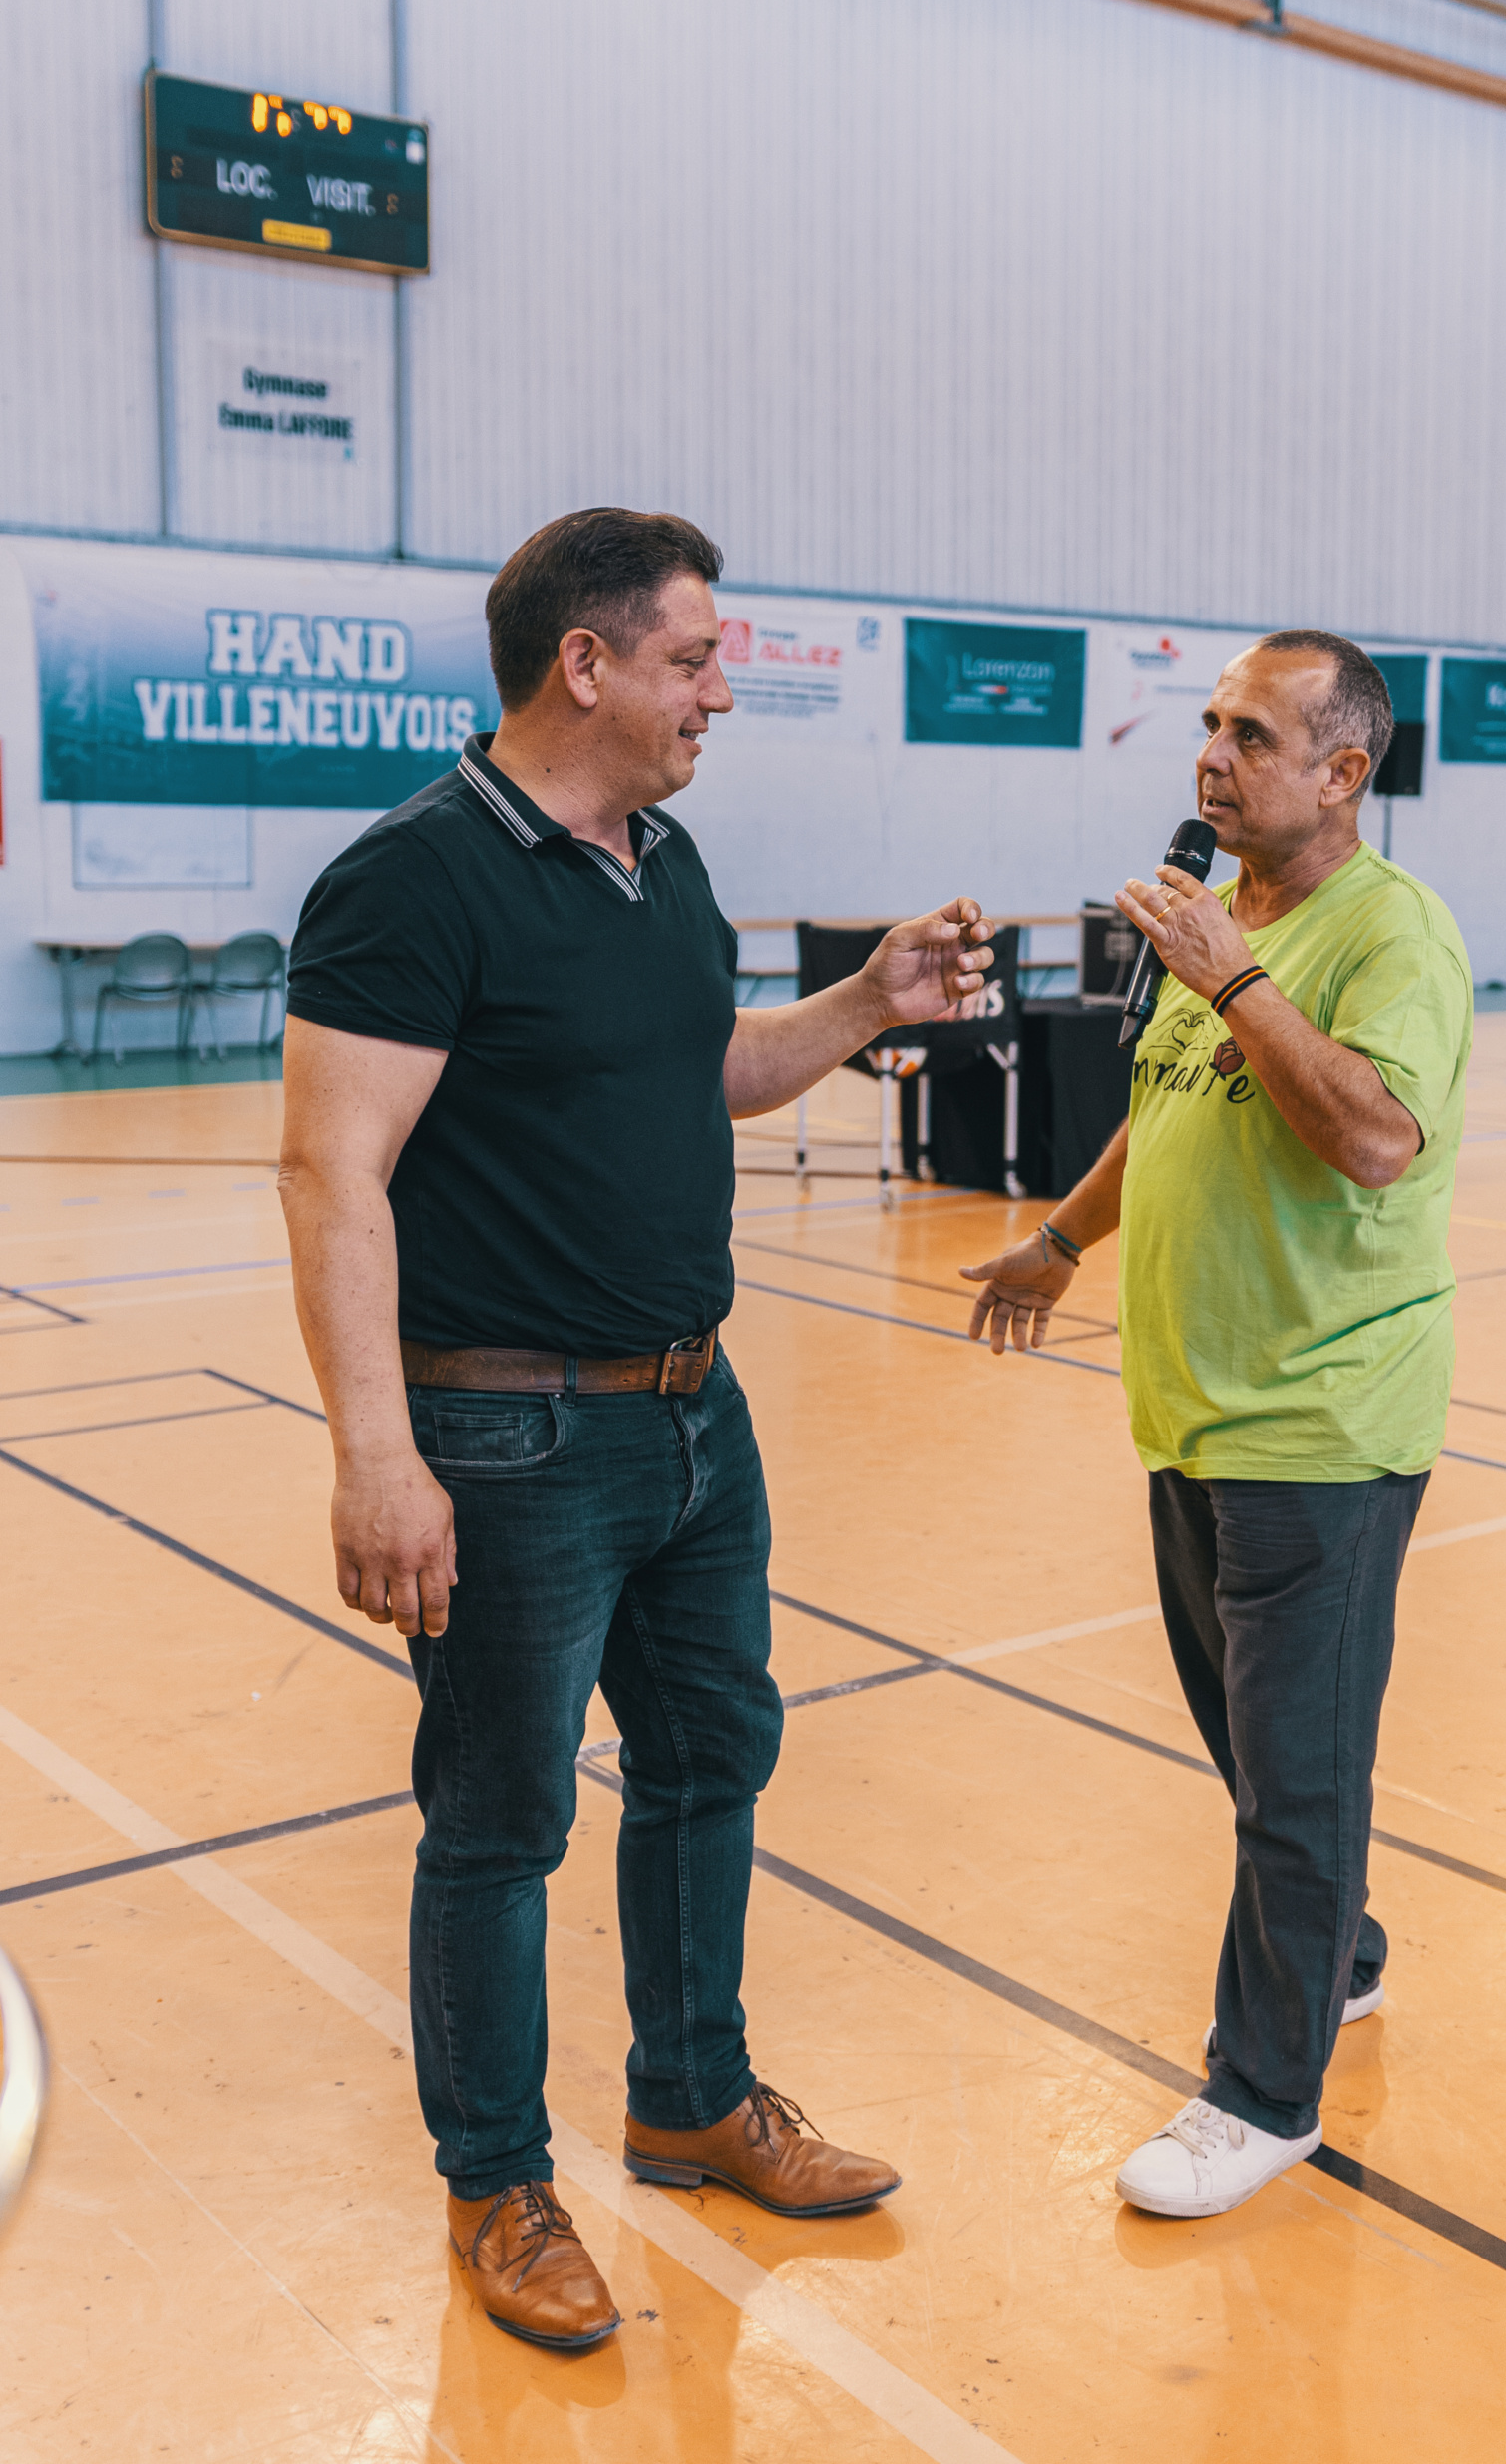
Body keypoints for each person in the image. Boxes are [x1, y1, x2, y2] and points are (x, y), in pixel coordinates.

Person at [278, 507, 995, 2350]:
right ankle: (497, 2184)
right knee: (500, 1820)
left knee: (710, 1759)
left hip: (693, 1414)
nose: (721, 692)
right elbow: (332, 1170)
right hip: (508, 1439)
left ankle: (692, 2097)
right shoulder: (413, 880)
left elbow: (709, 1072)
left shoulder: (660, 859)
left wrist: (867, 999)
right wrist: (377, 1454)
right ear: (583, 664)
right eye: (693, 658)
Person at [961, 630, 1471, 2220]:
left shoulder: (1389, 935)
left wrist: (1236, 982)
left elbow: (1376, 1140)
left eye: (1252, 734)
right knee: (1257, 1751)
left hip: (1320, 1423)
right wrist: (1062, 1238)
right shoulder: (1222, 923)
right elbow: (1168, 1107)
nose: (1211, 756)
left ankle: (1262, 2095)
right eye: (1209, 725)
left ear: (1343, 770)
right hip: (1192, 1416)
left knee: (1296, 1778)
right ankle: (1344, 1956)